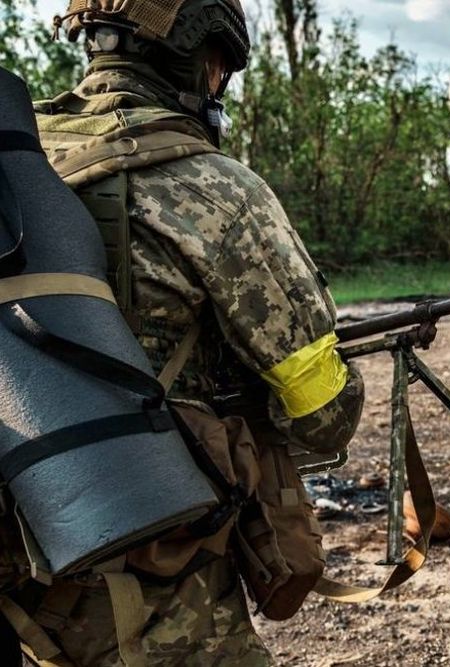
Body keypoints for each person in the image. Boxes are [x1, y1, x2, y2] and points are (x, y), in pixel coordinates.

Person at [12, 0, 365, 663]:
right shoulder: (216, 191)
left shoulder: (18, 172)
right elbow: (326, 417)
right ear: (201, 57)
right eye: (220, 69)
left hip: (19, 571)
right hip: (154, 584)